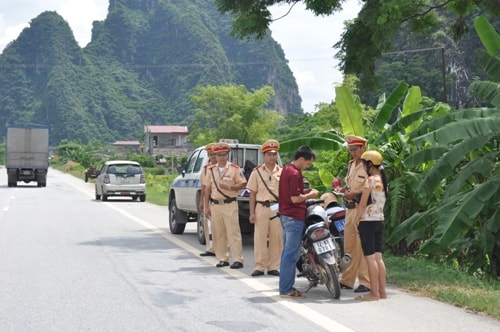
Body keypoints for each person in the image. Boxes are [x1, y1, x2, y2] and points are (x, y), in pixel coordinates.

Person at [278, 146, 320, 298]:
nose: (307, 167)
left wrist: (306, 192)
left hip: (285, 216)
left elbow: (292, 193)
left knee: (287, 254)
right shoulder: (295, 173)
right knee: (291, 255)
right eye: (307, 164)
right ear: (301, 159)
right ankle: (286, 289)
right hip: (294, 217)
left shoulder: (287, 168)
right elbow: (295, 199)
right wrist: (311, 195)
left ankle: (285, 286)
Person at [335, 135, 371, 293]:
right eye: (350, 150)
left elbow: (373, 187)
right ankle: (348, 279)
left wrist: (355, 193)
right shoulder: (351, 165)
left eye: (355, 149)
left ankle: (366, 281)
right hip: (349, 209)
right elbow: (351, 185)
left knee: (362, 246)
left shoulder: (369, 165)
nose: (352, 153)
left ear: (363, 148)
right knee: (349, 246)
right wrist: (344, 189)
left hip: (362, 209)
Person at [204, 142, 247, 269]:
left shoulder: (234, 168)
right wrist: (206, 207)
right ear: (215, 156)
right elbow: (207, 189)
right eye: (219, 155)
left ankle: (238, 259)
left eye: (224, 154)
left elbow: (243, 184)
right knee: (219, 233)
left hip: (230, 204)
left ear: (227, 155)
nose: (222, 157)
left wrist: (229, 187)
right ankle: (223, 258)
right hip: (215, 205)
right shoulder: (211, 170)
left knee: (233, 232)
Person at [354, 150, 388, 301]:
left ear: (369, 164)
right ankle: (382, 292)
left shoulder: (370, 180)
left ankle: (374, 293)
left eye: (363, 164)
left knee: (370, 258)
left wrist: (356, 220)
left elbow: (362, 204)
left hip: (367, 221)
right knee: (378, 258)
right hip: (379, 221)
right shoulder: (383, 181)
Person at [247, 139, 283, 277]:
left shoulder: (282, 171)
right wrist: (251, 213)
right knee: (260, 238)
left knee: (276, 238)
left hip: (277, 207)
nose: (272, 157)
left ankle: (274, 266)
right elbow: (252, 194)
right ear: (264, 155)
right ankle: (259, 266)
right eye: (269, 154)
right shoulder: (256, 172)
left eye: (274, 154)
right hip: (261, 207)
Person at [199, 142, 217, 257]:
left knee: (218, 226)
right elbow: (203, 187)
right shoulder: (206, 169)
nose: (213, 157)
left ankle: (218, 248)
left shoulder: (221, 168)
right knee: (208, 225)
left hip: (218, 200)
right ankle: (210, 248)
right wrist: (202, 201)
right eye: (210, 154)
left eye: (214, 154)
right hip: (208, 200)